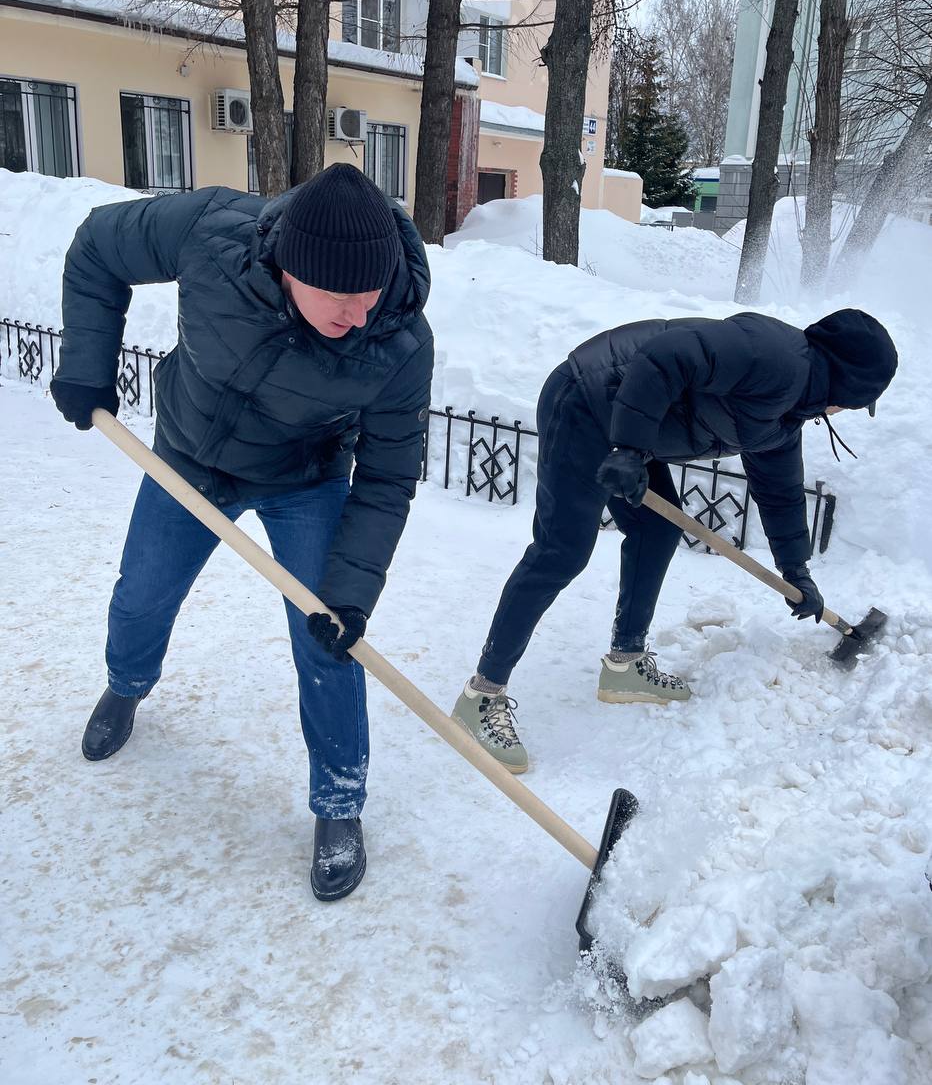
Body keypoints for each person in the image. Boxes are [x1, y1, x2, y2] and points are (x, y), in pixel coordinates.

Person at [50, 163, 433, 901]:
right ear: (292, 266)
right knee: (143, 595)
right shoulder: (210, 234)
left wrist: (349, 596)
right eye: (340, 298)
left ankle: (340, 804)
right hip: (190, 458)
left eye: (372, 294)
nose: (360, 315)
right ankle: (126, 685)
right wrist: (88, 365)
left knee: (328, 641)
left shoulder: (400, 344)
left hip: (306, 477)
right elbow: (98, 246)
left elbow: (387, 480)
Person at [452, 309, 898, 773]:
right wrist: (627, 449)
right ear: (845, 384)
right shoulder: (774, 357)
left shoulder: (788, 413)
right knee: (561, 551)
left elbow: (781, 492)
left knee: (657, 528)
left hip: (628, 423)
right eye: (854, 400)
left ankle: (625, 664)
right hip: (586, 400)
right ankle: (482, 695)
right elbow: (666, 358)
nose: (844, 411)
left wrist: (796, 570)